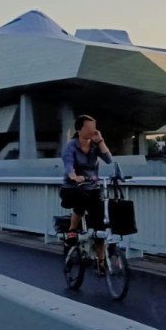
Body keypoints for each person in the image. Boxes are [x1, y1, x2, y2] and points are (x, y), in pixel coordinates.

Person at [60, 115, 113, 274]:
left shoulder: (95, 145)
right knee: (81, 200)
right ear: (79, 129)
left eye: (94, 127)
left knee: (99, 225)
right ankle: (72, 231)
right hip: (71, 188)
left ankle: (101, 263)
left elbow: (109, 160)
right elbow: (69, 165)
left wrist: (101, 141)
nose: (92, 130)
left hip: (92, 187)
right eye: (89, 127)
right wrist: (74, 177)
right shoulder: (70, 146)